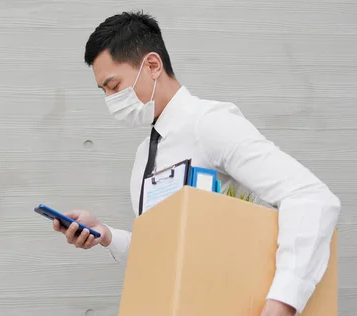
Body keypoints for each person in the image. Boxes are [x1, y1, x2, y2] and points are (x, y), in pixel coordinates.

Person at [52, 10, 341, 316]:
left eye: (114, 86)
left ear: (152, 65)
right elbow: (168, 250)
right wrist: (105, 234)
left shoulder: (210, 124)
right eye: (104, 92)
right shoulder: (145, 154)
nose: (110, 99)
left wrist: (282, 302)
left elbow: (311, 198)